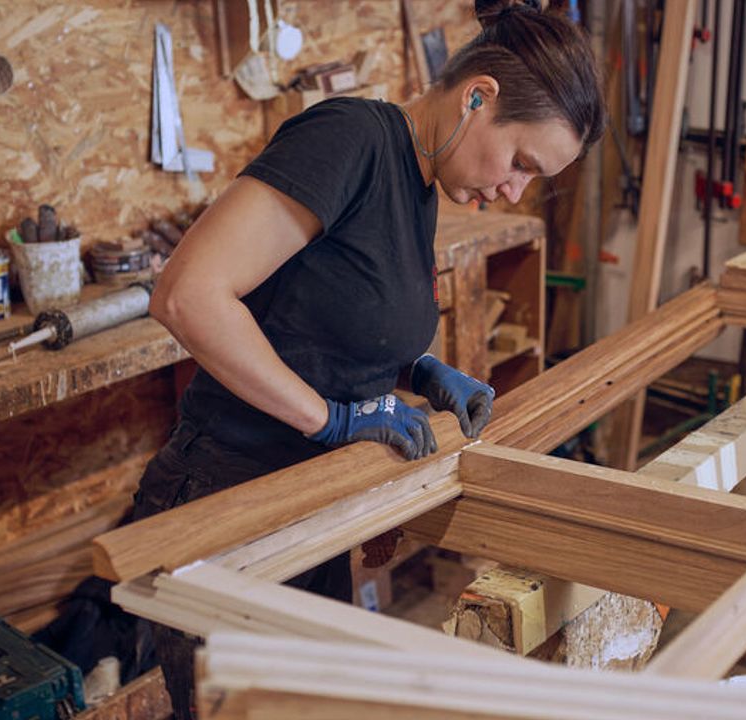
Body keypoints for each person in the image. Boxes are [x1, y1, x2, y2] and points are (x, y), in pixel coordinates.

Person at [129, 0, 604, 716]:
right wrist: (329, 419)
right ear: (478, 96)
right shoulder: (350, 138)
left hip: (312, 505)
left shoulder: (419, 180)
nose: (515, 190)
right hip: (230, 504)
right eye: (520, 163)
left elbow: (324, 315)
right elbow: (189, 296)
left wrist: (419, 370)